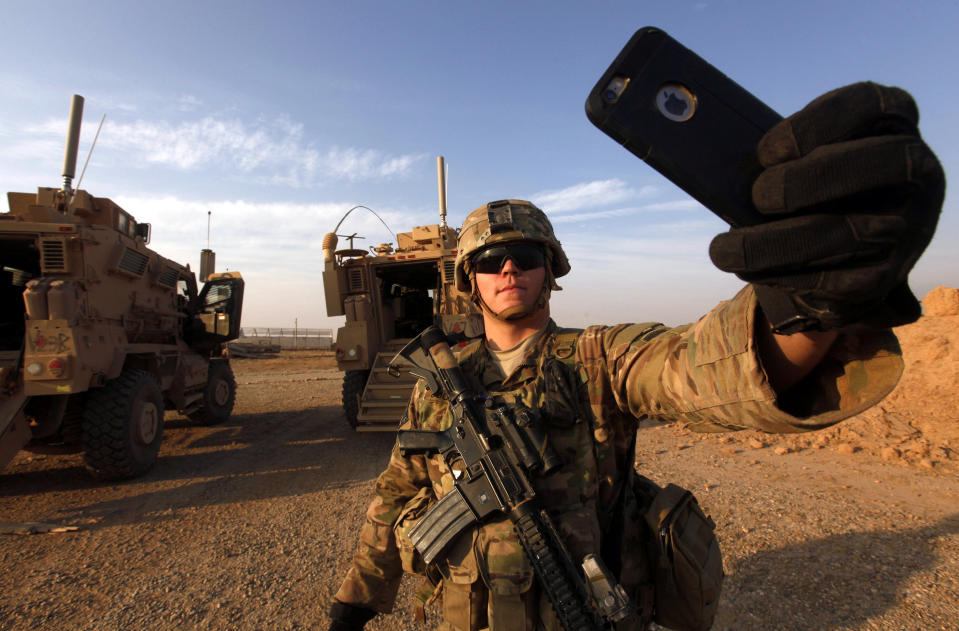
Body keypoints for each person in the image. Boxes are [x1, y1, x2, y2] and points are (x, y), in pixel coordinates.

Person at [327, 83, 945, 631]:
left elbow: (703, 368)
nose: (508, 268)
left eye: (526, 256)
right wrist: (356, 601)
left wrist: (809, 304)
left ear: (552, 272)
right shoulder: (439, 382)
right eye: (489, 261)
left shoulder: (600, 358)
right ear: (470, 280)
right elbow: (394, 491)